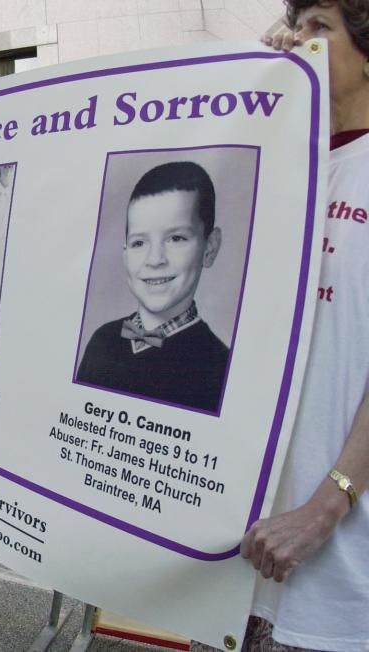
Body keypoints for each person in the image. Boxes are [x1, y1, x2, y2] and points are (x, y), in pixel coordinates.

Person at [215, 3, 369, 650]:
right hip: (233, 570)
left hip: (333, 566)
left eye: (320, 27)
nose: (297, 39)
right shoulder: (278, 164)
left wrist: (329, 503)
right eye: (294, 23)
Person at [75, 161, 228, 413]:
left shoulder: (219, 367)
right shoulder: (102, 340)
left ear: (209, 248)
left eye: (176, 238)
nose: (155, 259)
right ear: (125, 255)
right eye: (139, 243)